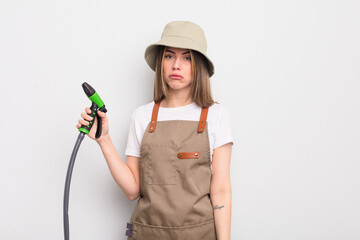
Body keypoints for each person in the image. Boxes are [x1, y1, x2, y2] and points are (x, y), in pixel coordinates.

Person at [76, 21, 233, 240]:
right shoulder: (142, 116)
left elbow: (221, 190)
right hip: (147, 233)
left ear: (198, 65)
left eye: (186, 57)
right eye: (169, 56)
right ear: (161, 63)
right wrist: (104, 140)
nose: (176, 65)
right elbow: (132, 190)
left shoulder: (217, 115)